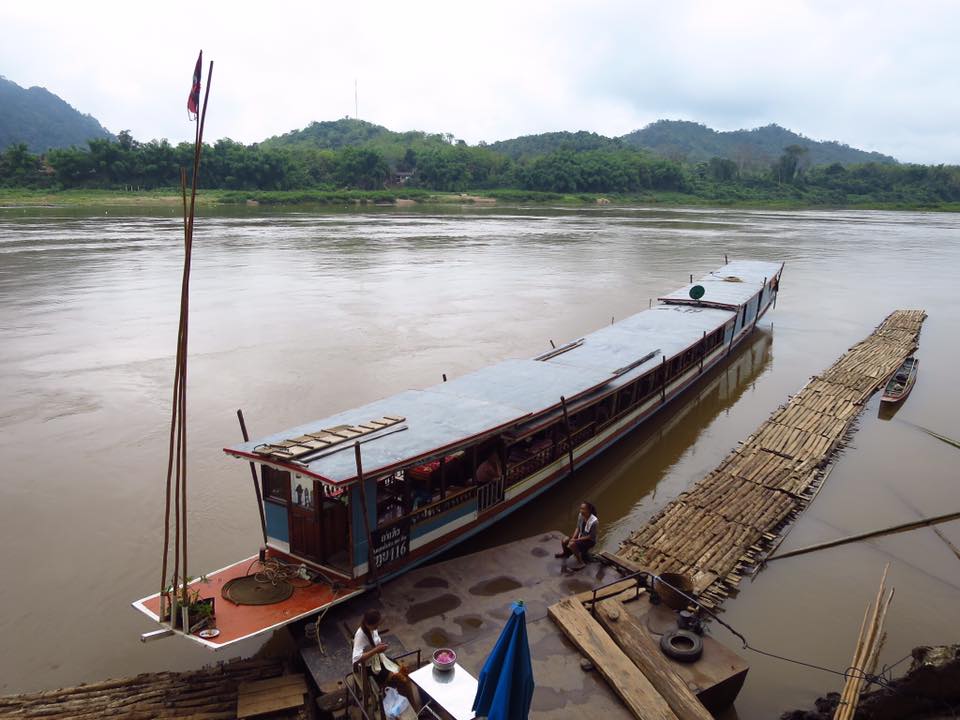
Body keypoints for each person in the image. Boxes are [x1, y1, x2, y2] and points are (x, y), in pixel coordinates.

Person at [352, 609, 397, 685]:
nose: (377, 627)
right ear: (367, 624)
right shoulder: (361, 635)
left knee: (398, 668)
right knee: (394, 677)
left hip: (377, 659)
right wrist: (376, 650)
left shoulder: (372, 629)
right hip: (368, 667)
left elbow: (374, 643)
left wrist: (379, 647)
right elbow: (356, 658)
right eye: (375, 626)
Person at [555, 501, 598, 570]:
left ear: (589, 510)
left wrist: (575, 540)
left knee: (572, 544)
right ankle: (565, 553)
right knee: (564, 540)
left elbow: (591, 536)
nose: (581, 510)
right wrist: (574, 537)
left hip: (589, 540)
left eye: (583, 509)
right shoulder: (581, 515)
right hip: (580, 536)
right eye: (580, 508)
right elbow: (577, 527)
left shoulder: (594, 521)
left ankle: (580, 562)